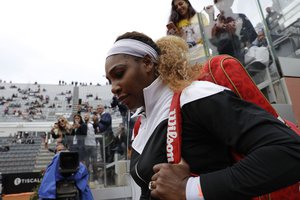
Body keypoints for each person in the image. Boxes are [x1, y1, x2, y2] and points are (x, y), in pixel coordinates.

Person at [104, 31, 300, 199]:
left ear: (147, 63)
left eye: (119, 73)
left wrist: (189, 189)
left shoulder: (193, 96)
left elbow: (290, 151)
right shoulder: (141, 125)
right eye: (109, 80)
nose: (113, 88)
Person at [209, 0, 257, 64]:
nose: (221, 4)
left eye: (223, 1)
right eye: (217, 2)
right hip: (227, 64)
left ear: (230, 2)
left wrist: (242, 40)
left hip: (248, 59)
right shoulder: (216, 25)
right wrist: (210, 16)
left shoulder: (241, 17)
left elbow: (253, 35)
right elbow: (212, 46)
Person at [83, 113, 99, 184]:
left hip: (93, 145)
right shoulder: (83, 125)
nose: (86, 117)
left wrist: (95, 120)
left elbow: (96, 125)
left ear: (89, 117)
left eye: (87, 116)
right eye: (85, 116)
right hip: (86, 145)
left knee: (94, 163)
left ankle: (96, 178)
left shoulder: (92, 123)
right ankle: (87, 179)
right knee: (86, 163)